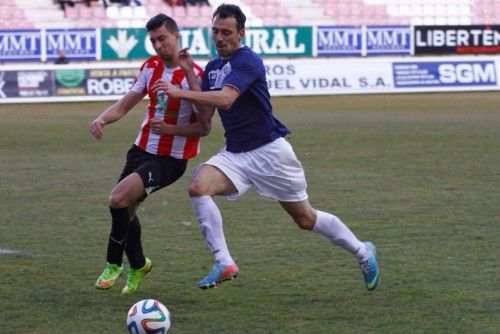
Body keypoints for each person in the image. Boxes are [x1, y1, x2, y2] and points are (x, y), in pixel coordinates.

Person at [152, 4, 382, 292]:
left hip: (270, 153)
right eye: (215, 32)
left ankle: (362, 252)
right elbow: (206, 115)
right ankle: (224, 261)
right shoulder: (212, 67)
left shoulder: (248, 61)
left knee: (305, 218)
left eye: (226, 32)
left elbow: (224, 99)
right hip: (236, 154)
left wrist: (178, 91)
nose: (220, 38)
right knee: (198, 187)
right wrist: (188, 70)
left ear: (241, 34)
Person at [89, 13, 206, 294]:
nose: (157, 45)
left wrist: (168, 127)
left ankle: (113, 263)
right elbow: (125, 104)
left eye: (162, 38)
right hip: (140, 151)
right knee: (125, 209)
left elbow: (204, 127)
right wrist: (103, 119)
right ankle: (139, 264)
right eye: (153, 40)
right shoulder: (150, 67)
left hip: (171, 160)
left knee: (117, 199)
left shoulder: (195, 75)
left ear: (176, 36)